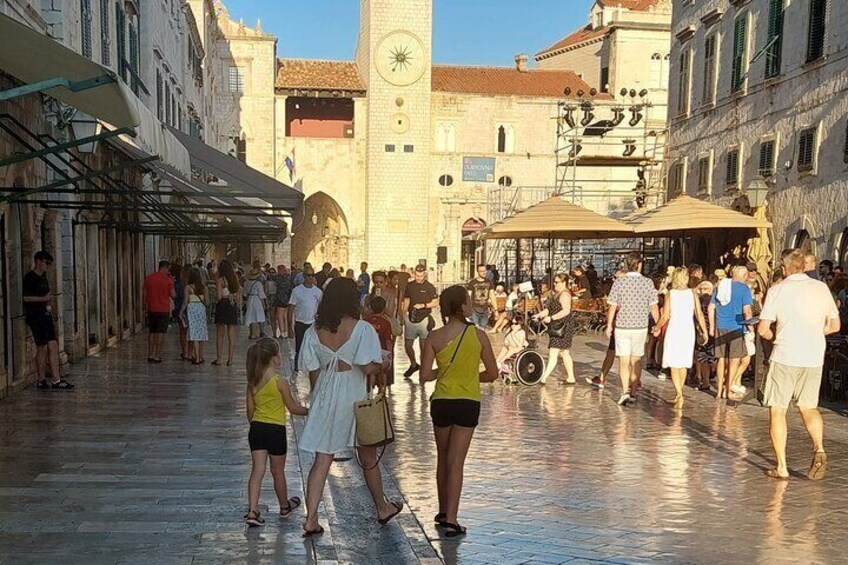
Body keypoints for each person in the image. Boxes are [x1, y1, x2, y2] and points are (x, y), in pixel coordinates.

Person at [298, 278, 402, 536]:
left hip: (324, 395)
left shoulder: (314, 330)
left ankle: (311, 519)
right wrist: (384, 364)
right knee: (368, 456)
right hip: (354, 399)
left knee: (322, 458)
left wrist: (318, 397)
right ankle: (382, 507)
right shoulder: (362, 329)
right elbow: (367, 367)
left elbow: (312, 370)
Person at [419, 285, 499, 537]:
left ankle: (443, 511)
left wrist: (444, 373)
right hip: (467, 402)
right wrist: (472, 376)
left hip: (441, 401)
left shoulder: (434, 336)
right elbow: (493, 373)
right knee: (457, 462)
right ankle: (452, 519)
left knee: (442, 458)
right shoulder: (479, 335)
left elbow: (424, 375)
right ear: (464, 306)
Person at [757, 249, 840, 480]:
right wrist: (814, 333)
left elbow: (763, 328)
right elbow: (834, 325)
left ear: (784, 269)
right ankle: (819, 447)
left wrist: (772, 336)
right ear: (804, 266)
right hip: (813, 356)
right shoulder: (821, 288)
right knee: (808, 407)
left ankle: (782, 466)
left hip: (785, 354)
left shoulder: (777, 290)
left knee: (778, 410)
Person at [244, 337, 308, 526]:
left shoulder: (252, 383)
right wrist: (310, 411)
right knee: (277, 471)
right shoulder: (280, 382)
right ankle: (284, 506)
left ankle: (253, 511)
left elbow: (249, 411)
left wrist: (255, 425)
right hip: (276, 430)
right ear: (274, 359)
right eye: (279, 353)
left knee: (257, 470)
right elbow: (293, 408)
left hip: (257, 429)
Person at [606, 252, 660, 406]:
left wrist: (609, 325)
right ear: (640, 265)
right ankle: (634, 392)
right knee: (636, 360)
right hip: (640, 327)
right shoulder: (648, 283)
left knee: (623, 360)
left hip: (622, 326)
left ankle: (624, 391)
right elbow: (654, 307)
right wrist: (657, 325)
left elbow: (613, 306)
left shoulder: (619, 283)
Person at [652, 268, 708, 411]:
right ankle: (680, 392)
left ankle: (679, 393)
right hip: (688, 330)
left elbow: (665, 315)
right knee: (683, 363)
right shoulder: (692, 293)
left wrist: (657, 327)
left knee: (674, 363)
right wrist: (704, 331)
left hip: (674, 329)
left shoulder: (671, 294)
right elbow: (699, 314)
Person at [22, 251, 73, 389]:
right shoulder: (29, 278)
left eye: (50, 264)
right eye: (46, 263)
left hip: (45, 315)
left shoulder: (43, 277)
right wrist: (43, 299)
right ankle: (41, 379)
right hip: (35, 317)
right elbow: (26, 298)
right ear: (38, 261)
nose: (48, 266)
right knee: (42, 347)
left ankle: (56, 379)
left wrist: (48, 304)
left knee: (53, 345)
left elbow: (46, 295)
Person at [709, 265, 753, 400]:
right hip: (737, 327)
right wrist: (751, 328)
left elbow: (711, 308)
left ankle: (718, 392)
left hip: (720, 326)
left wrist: (712, 326)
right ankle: (728, 391)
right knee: (734, 360)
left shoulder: (721, 287)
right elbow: (747, 311)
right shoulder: (744, 289)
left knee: (721, 359)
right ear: (745, 276)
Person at [534, 274, 578, 385]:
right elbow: (549, 309)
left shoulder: (565, 295)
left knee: (554, 352)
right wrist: (539, 315)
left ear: (564, 283)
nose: (555, 284)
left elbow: (566, 311)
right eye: (554, 282)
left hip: (563, 327)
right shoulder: (556, 294)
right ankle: (571, 377)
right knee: (564, 352)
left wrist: (551, 318)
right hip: (557, 326)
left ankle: (543, 378)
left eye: (557, 282)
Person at [402, 264, 439, 378]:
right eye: (417, 275)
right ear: (414, 274)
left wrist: (424, 305)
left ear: (424, 274)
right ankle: (413, 364)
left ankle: (423, 369)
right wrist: (403, 315)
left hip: (424, 318)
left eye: (421, 275)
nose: (419, 278)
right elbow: (406, 300)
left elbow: (436, 302)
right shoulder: (410, 286)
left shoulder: (430, 287)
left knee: (424, 347)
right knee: (408, 345)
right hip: (411, 318)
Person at [288, 267, 322, 372]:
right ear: (304, 276)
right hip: (300, 323)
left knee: (315, 346)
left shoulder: (318, 292)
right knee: (299, 346)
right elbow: (291, 310)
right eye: (308, 275)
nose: (310, 278)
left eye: (312, 275)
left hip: (313, 324)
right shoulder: (297, 291)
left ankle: (314, 366)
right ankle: (297, 367)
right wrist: (289, 328)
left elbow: (321, 309)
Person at [143, 260, 175, 364]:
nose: (169, 271)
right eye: (168, 269)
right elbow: (173, 295)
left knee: (152, 331)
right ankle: (157, 355)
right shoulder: (168, 280)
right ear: (165, 268)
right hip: (163, 310)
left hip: (152, 308)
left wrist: (145, 306)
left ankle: (150, 354)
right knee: (161, 332)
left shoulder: (149, 278)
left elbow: (144, 294)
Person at [213, 259, 241, 367]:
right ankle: (230, 359)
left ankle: (219, 358)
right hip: (232, 304)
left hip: (223, 304)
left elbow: (219, 296)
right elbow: (238, 296)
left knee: (220, 333)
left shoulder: (220, 280)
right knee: (232, 333)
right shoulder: (235, 279)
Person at [364, 296, 396, 388]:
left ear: (371, 307)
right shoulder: (386, 323)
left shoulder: (365, 322)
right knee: (383, 372)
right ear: (383, 309)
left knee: (371, 373)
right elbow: (388, 342)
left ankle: (370, 393)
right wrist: (390, 356)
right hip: (382, 351)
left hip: (369, 350)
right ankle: (382, 393)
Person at [180, 268, 209, 365]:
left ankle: (197, 358)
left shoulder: (188, 287)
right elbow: (207, 302)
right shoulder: (204, 287)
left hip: (192, 309)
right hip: (201, 309)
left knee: (194, 333)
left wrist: (181, 312)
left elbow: (185, 301)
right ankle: (201, 356)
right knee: (201, 332)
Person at [694, 280, 716, 392]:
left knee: (704, 357)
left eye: (705, 289)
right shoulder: (715, 300)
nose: (703, 291)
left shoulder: (698, 301)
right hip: (713, 332)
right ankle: (708, 379)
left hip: (704, 332)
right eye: (702, 289)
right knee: (709, 357)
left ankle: (706, 381)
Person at [171, 264, 190, 361]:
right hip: (191, 309)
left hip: (180, 309)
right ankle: (190, 353)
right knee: (191, 332)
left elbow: (174, 296)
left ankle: (185, 352)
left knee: (182, 332)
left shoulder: (178, 284)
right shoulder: (193, 285)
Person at [467, 264, 495, 330]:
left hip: (485, 309)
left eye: (485, 270)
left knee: (482, 328)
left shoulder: (489, 282)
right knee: (475, 328)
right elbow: (468, 295)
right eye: (481, 271)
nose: (484, 272)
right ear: (478, 272)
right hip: (474, 308)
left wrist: (495, 309)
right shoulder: (472, 282)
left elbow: (492, 295)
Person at [244, 263, 268, 340]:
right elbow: (262, 295)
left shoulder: (246, 283)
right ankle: (258, 333)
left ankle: (251, 333)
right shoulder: (258, 283)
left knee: (251, 316)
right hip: (257, 300)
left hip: (249, 299)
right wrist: (264, 305)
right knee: (259, 316)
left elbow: (245, 293)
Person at [271, 265, 294, 339]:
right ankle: (286, 332)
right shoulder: (289, 277)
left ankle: (282, 333)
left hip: (280, 299)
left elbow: (273, 279)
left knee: (280, 316)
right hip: (288, 299)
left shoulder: (278, 278)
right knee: (285, 316)